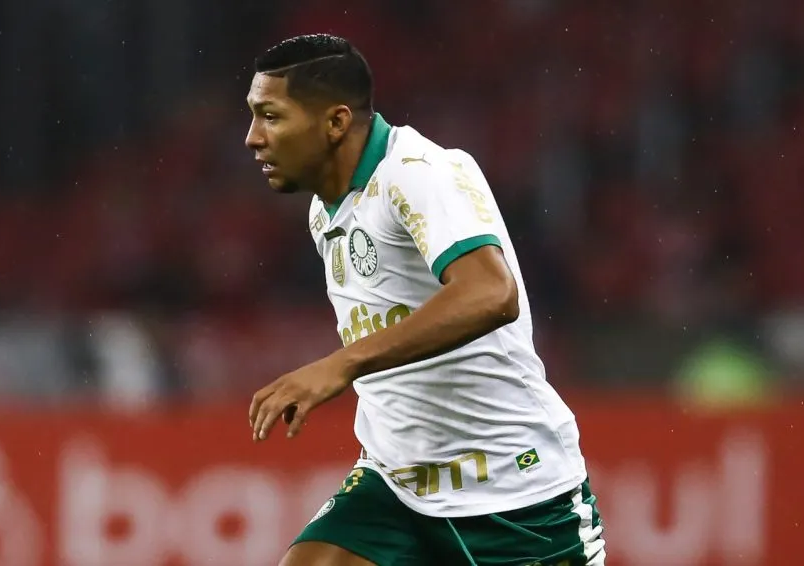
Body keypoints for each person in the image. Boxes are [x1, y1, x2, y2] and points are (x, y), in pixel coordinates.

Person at [245, 34, 606, 566]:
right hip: (397, 487)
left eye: (271, 117)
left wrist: (341, 364)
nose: (253, 138)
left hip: (516, 496)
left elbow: (491, 292)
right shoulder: (325, 214)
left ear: (336, 122)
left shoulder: (419, 173)